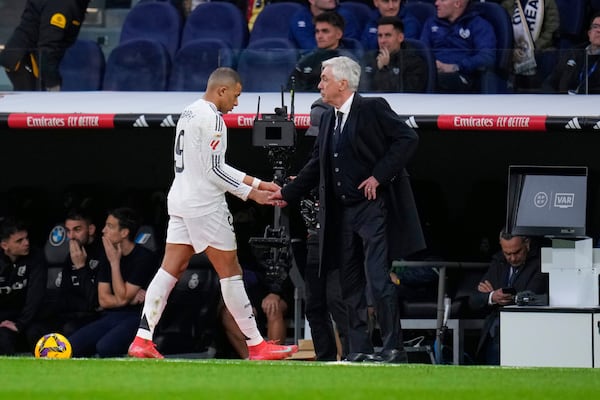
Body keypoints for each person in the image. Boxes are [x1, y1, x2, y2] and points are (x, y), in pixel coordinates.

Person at [127, 67, 298, 361]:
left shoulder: (190, 112)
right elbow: (215, 170)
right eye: (236, 94)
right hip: (205, 204)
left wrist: (257, 182)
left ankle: (142, 339)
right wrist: (251, 194)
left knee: (170, 270)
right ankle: (257, 344)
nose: (236, 102)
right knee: (230, 271)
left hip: (180, 199)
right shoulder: (213, 119)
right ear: (222, 90)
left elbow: (212, 164)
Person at [270, 56, 425, 363]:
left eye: (324, 78)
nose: (319, 84)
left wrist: (379, 176)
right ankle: (360, 349)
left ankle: (394, 347)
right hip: (340, 213)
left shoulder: (372, 108)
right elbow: (317, 164)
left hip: (371, 209)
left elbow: (408, 138)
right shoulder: (328, 118)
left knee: (378, 278)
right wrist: (287, 193)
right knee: (348, 285)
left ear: (343, 83)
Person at [68, 207, 158, 357]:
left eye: (110, 226)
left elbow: (122, 297)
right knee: (72, 346)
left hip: (135, 317)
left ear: (124, 233)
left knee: (105, 347)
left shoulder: (143, 257)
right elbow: (103, 300)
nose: (103, 230)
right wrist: (126, 299)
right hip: (110, 315)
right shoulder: (107, 254)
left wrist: (115, 263)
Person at [469, 229, 548, 365]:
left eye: (517, 252)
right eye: (507, 253)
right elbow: (473, 300)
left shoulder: (541, 262)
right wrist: (493, 296)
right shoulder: (499, 261)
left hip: (527, 332)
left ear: (527, 244)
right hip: (495, 331)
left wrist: (502, 297)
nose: (512, 258)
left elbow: (531, 296)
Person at [0, 0, 91, 91]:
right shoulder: (61, 4)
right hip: (26, 58)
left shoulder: (70, 4)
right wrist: (52, 83)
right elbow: (48, 45)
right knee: (32, 101)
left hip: (28, 56)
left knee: (31, 99)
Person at [420, 0, 496, 93]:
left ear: (457, 3)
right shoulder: (431, 22)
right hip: (432, 71)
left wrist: (455, 67)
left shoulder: (479, 25)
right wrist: (431, 64)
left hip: (462, 75)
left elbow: (487, 57)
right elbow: (421, 51)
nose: (436, 3)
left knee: (436, 80)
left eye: (442, 0)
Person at [0, 217, 48, 355]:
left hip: (28, 316)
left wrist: (21, 323)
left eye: (26, 238)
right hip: (3, 317)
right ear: (4, 245)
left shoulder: (36, 257)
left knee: (36, 333)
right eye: (19, 241)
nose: (26, 243)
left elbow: (35, 296)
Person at [55, 208, 106, 336]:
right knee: (38, 328)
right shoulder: (71, 254)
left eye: (77, 230)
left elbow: (96, 302)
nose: (71, 236)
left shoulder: (104, 253)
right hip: (72, 313)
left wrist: (81, 267)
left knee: (70, 329)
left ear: (91, 230)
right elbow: (63, 297)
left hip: (96, 316)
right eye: (68, 231)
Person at [501, 0, 560, 91]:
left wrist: (534, 48)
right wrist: (512, 49)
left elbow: (551, 29)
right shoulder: (508, 3)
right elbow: (503, 31)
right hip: (516, 53)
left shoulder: (546, 2)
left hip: (541, 50)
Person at [291, 11, 356, 92]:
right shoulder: (306, 60)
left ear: (339, 34)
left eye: (325, 31)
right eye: (317, 31)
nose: (319, 36)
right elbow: (290, 89)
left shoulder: (348, 62)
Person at [360, 16, 428, 93]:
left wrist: (384, 69)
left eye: (387, 35)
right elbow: (362, 89)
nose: (382, 41)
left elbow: (406, 93)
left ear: (400, 37)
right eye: (380, 36)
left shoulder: (414, 62)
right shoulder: (368, 58)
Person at [542, 12, 600, 95]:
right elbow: (550, 83)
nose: (599, 30)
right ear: (589, 33)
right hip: (565, 103)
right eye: (595, 27)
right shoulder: (574, 53)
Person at [289, 0, 361, 53]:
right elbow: (306, 46)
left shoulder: (345, 16)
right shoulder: (300, 17)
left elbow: (350, 46)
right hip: (309, 63)